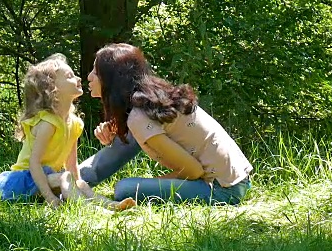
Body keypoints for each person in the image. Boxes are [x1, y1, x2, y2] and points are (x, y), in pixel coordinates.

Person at [84, 43, 253, 205]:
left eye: (96, 72)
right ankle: (73, 180)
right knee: (128, 172)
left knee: (125, 189)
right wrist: (118, 134)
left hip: (222, 189)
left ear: (113, 79)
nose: (89, 76)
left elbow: (193, 171)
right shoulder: (147, 102)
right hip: (237, 180)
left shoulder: (139, 117)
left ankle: (70, 183)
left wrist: (147, 186)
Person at [0, 54, 135, 211]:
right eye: (70, 76)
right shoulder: (48, 123)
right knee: (65, 177)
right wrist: (50, 197)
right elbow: (34, 164)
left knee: (74, 179)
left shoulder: (74, 124)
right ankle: (93, 210)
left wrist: (79, 185)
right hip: (23, 181)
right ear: (52, 88)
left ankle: (110, 205)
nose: (79, 78)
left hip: (48, 178)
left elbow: (73, 170)